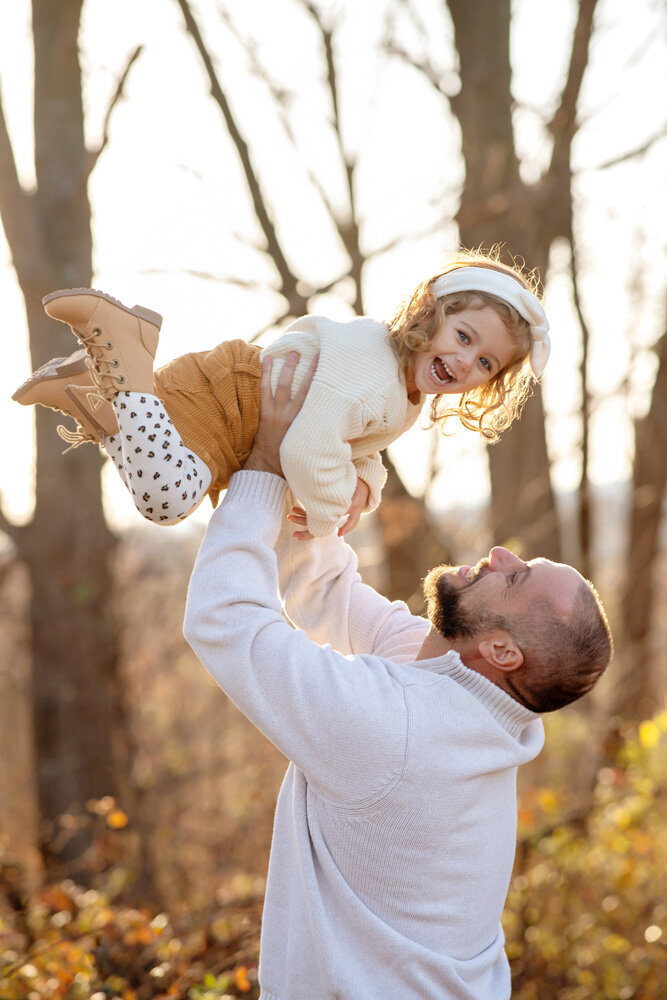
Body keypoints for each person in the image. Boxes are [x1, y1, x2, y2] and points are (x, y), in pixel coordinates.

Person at [182, 355, 613, 1000]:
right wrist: (319, 496)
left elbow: (225, 620)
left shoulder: (401, 727)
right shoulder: (452, 693)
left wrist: (265, 469)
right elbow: (326, 589)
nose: (499, 554)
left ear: (500, 649)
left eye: (516, 577)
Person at [13, 249, 550, 537]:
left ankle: (91, 395)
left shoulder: (398, 387)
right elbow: (307, 450)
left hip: (240, 414)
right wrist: (328, 513)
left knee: (167, 489)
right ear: (431, 310)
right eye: (463, 336)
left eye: (484, 362)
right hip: (231, 400)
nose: (464, 361)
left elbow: (351, 441)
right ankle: (127, 351)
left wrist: (366, 481)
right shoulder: (376, 372)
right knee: (168, 499)